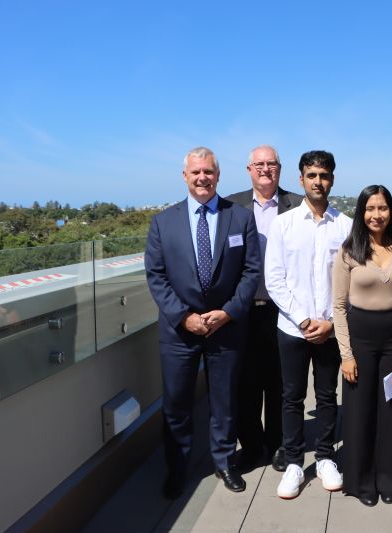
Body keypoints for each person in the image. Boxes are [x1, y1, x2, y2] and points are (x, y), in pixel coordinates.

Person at [145, 146, 260, 498]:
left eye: (208, 171)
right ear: (185, 176)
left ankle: (224, 462)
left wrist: (229, 311)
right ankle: (178, 469)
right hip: (180, 332)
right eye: (195, 172)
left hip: (226, 327)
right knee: (177, 404)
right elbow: (156, 275)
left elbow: (252, 270)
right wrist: (184, 317)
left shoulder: (239, 217)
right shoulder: (163, 222)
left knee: (224, 402)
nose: (202, 178)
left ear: (218, 175)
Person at [265, 150, 352, 499]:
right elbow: (274, 278)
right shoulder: (283, 224)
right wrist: (303, 319)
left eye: (324, 175)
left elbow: (349, 280)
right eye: (312, 175)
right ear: (301, 179)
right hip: (292, 328)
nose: (318, 181)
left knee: (328, 395)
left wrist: (329, 322)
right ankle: (294, 463)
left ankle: (327, 456)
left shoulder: (345, 225)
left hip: (331, 329)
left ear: (332, 179)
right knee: (292, 396)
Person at [332, 185, 392, 507]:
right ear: (361, 213)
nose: (376, 215)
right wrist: (347, 355)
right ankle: (361, 479)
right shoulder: (348, 252)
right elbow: (338, 307)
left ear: (391, 212)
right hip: (360, 340)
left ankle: (391, 478)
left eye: (382, 208)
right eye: (370, 209)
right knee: (359, 413)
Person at [227, 145, 303, 473]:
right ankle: (251, 446)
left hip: (282, 309)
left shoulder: (297, 206)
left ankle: (278, 444)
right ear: (249, 169)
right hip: (242, 311)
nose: (265, 169)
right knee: (245, 381)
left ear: (280, 169)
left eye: (271, 164)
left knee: (280, 381)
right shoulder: (229, 206)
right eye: (259, 164)